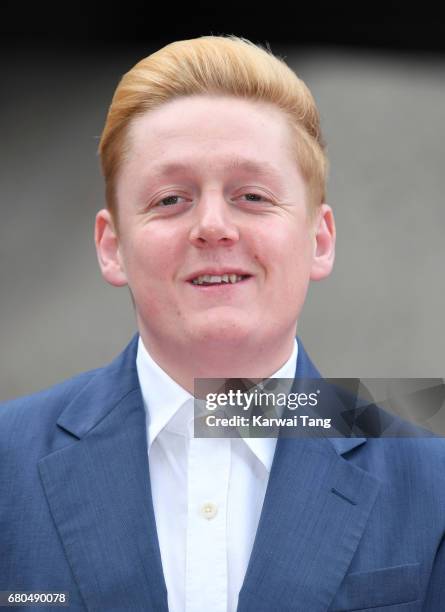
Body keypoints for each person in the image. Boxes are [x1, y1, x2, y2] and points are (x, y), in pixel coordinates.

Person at [1, 35, 444, 612]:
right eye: (169, 199)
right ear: (112, 247)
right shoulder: (8, 462)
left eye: (253, 195)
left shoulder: (431, 484)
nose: (213, 226)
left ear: (319, 239)